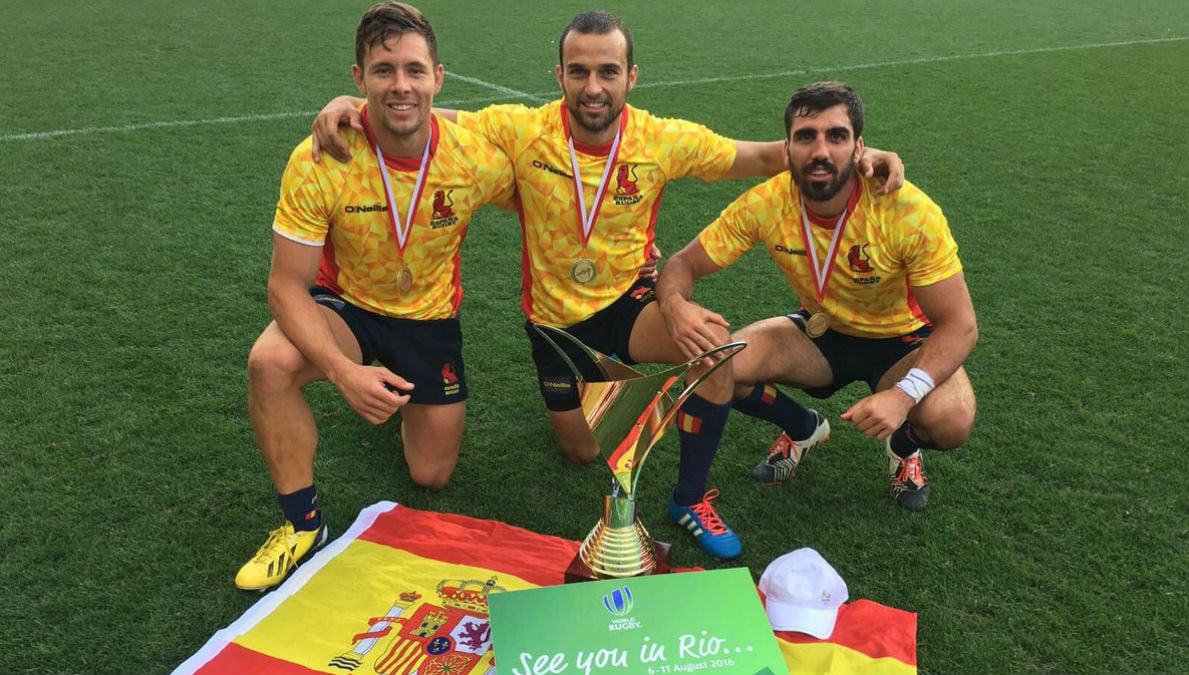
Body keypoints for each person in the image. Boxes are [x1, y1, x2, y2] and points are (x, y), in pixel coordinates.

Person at [308, 12, 906, 559]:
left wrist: (858, 152)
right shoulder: (521, 130)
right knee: (581, 454)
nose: (594, 87)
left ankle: (692, 497)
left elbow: (762, 155)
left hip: (629, 305)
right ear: (561, 75)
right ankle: (790, 421)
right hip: (553, 327)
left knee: (715, 353)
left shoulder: (662, 140)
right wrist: (349, 103)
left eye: (608, 71)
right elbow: (422, 115)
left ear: (631, 76)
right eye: (580, 71)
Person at [235, 2, 515, 592]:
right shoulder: (322, 157)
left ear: (439, 77)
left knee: (431, 476)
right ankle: (302, 525)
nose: (401, 85)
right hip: (347, 309)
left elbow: (552, 180)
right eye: (383, 70)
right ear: (358, 79)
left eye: (415, 70)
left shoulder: (476, 154)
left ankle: (399, 394)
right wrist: (341, 371)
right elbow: (286, 287)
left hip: (430, 318)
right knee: (271, 363)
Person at [658, 81, 977, 515]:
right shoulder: (766, 203)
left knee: (951, 421)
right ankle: (802, 427)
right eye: (806, 137)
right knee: (714, 361)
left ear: (859, 148)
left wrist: (903, 397)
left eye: (836, 136)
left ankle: (903, 449)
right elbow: (681, 264)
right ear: (786, 149)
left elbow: (960, 325)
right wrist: (675, 305)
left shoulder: (907, 211)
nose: (821, 150)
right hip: (819, 332)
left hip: (903, 343)